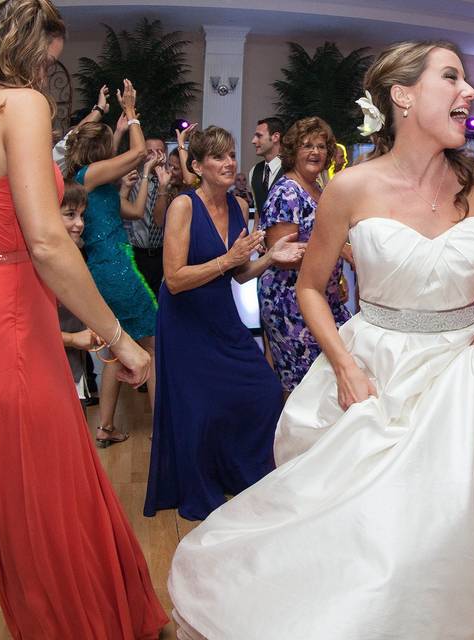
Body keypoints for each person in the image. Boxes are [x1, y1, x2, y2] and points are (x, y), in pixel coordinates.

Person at [168, 40, 474, 639]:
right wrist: (345, 364)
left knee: (451, 531)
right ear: (403, 96)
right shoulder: (350, 187)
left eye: (468, 80)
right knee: (374, 536)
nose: (471, 93)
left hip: (464, 379)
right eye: (452, 78)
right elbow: (309, 288)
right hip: (377, 372)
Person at [0, 1, 167, 636]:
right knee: (51, 499)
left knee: (15, 506)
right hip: (10, 317)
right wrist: (123, 341)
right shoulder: (21, 104)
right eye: (45, 59)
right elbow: (45, 241)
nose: (45, 75)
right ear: (22, 47)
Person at [144, 126, 303, 521]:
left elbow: (240, 273)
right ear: (197, 166)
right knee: (197, 408)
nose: (229, 162)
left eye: (231, 154)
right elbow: (175, 279)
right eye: (218, 156)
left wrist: (271, 257)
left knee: (263, 390)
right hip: (183, 320)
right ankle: (200, 487)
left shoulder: (235, 206)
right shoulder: (184, 205)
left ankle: (244, 474)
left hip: (219, 314)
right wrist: (228, 261)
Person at [64, 82, 163, 447]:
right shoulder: (88, 177)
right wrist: (133, 112)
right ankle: (161, 427)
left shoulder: (92, 184)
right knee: (152, 344)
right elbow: (137, 151)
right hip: (116, 267)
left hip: (106, 268)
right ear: (100, 150)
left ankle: (105, 427)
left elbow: (135, 211)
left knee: (113, 346)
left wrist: (146, 173)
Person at [258, 116, 351, 392]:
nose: (315, 152)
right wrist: (340, 250)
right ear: (292, 152)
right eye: (307, 145)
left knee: (334, 374)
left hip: (322, 297)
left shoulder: (319, 189)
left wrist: (336, 282)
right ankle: (291, 435)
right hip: (290, 302)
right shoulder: (287, 192)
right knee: (306, 385)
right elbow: (283, 253)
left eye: (321, 146)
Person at [57, 180, 99, 401]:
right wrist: (73, 339)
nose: (79, 223)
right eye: (70, 215)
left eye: (82, 216)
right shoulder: (44, 266)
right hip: (51, 373)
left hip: (73, 367)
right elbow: (30, 330)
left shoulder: (74, 255)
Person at [124, 136, 169, 294]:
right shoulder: (134, 178)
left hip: (163, 253)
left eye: (159, 151)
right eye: (150, 152)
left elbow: (160, 220)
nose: (155, 156)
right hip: (137, 252)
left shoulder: (171, 181)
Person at [248, 116, 285, 211]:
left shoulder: (293, 167)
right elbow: (258, 212)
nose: (253, 141)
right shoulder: (254, 171)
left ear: (275, 137)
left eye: (259, 136)